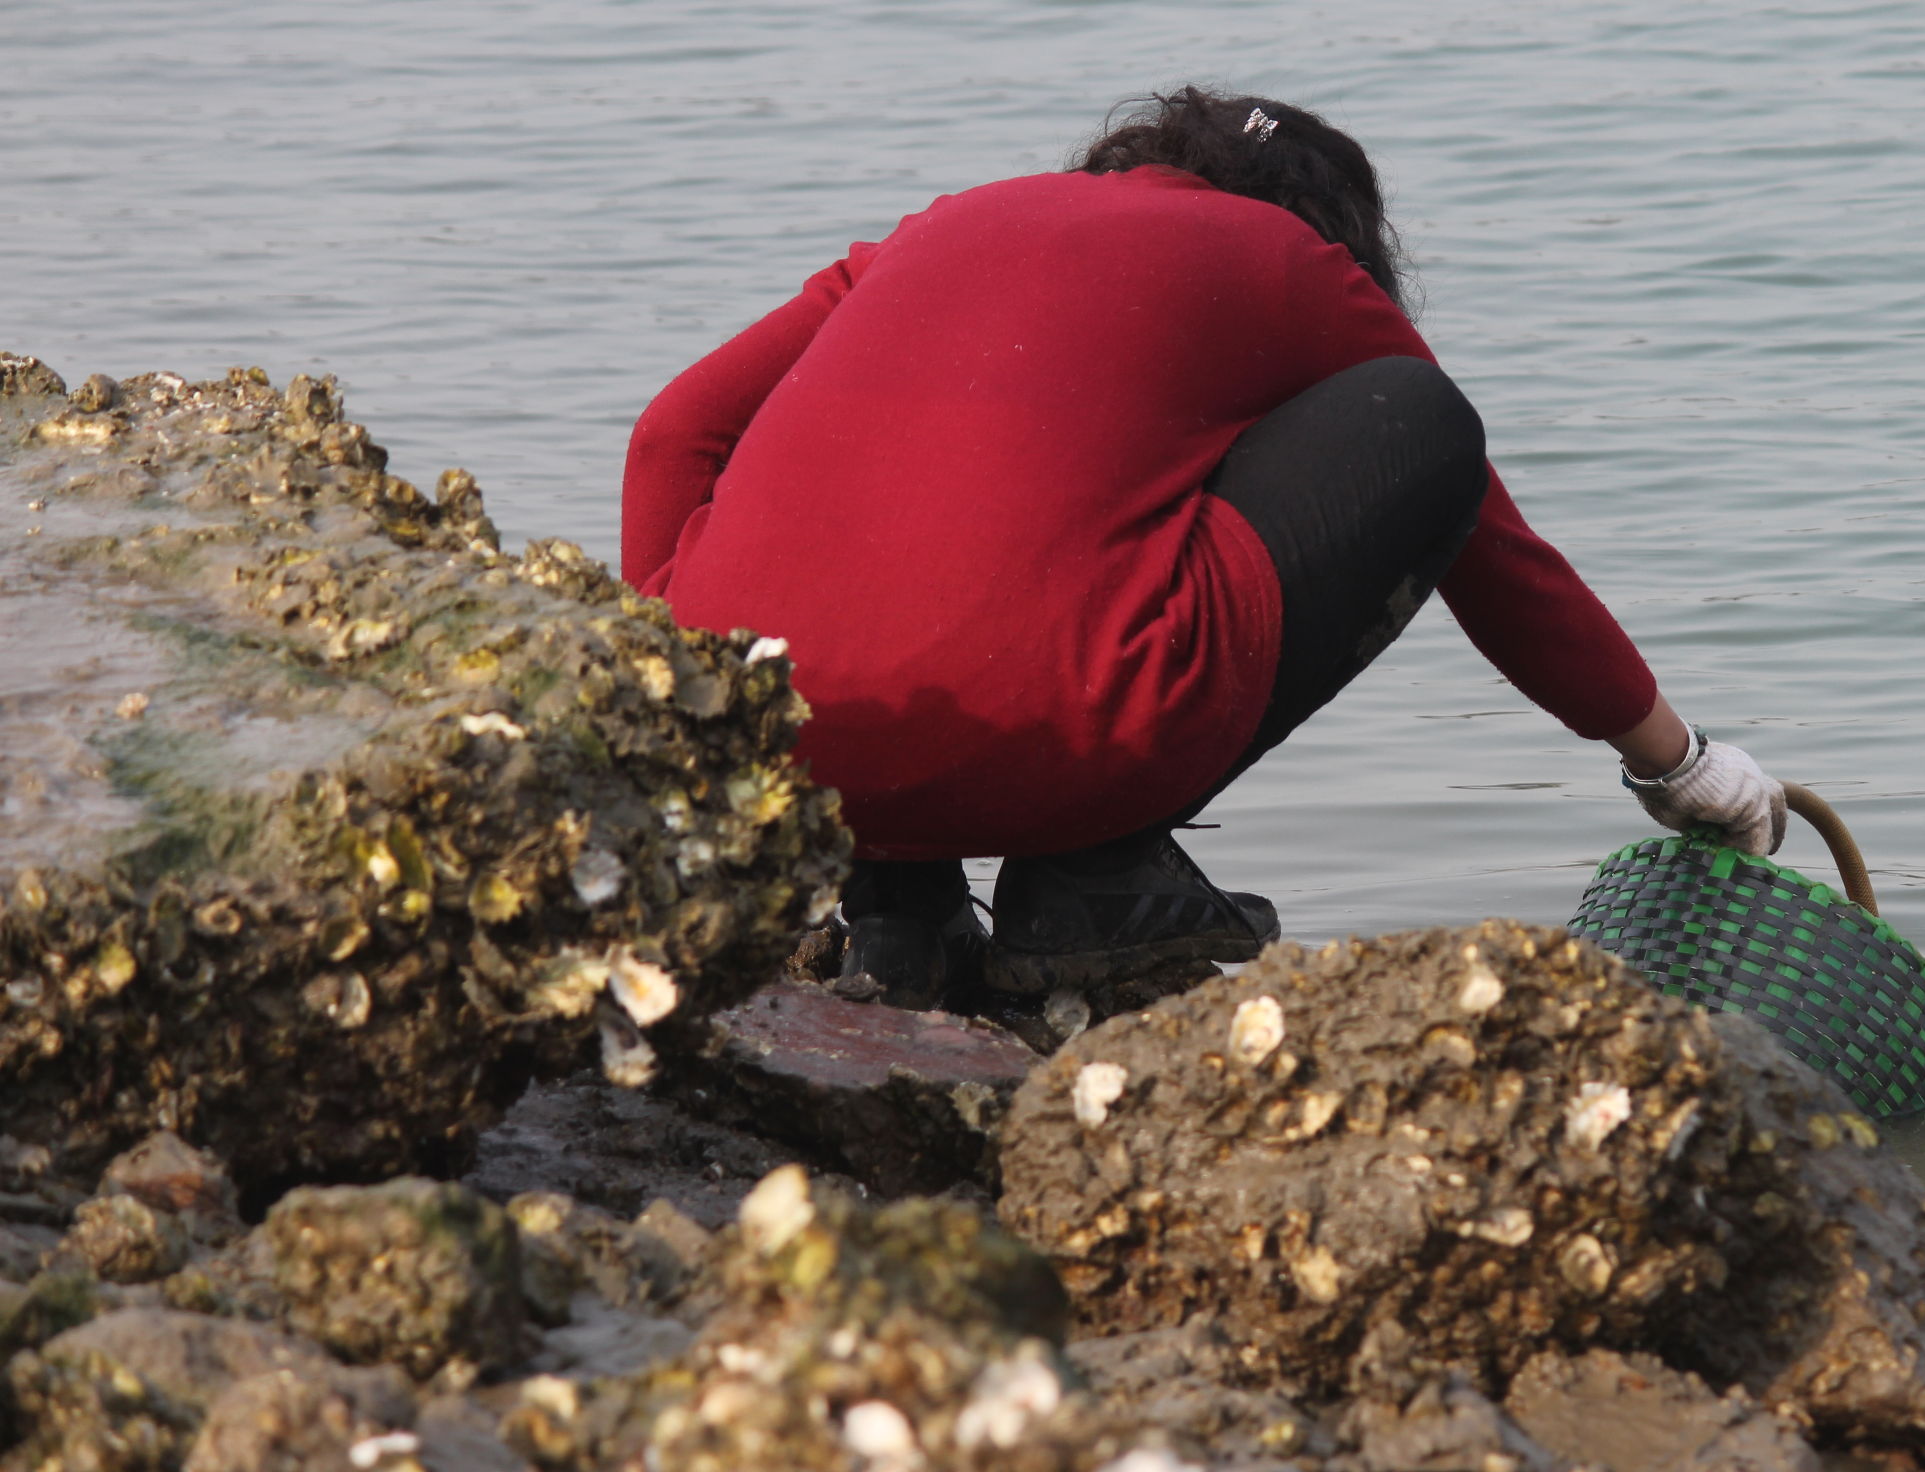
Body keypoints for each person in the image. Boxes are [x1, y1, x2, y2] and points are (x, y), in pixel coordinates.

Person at [622, 86, 1785, 1007]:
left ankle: (900, 909)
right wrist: (1674, 762)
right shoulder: (1289, 262)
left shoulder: (944, 225)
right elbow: (1491, 544)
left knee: (952, 511)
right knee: (1421, 424)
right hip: (1061, 751)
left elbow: (674, 434)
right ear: (1337, 232)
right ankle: (1089, 879)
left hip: (777, 762)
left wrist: (694, 712)